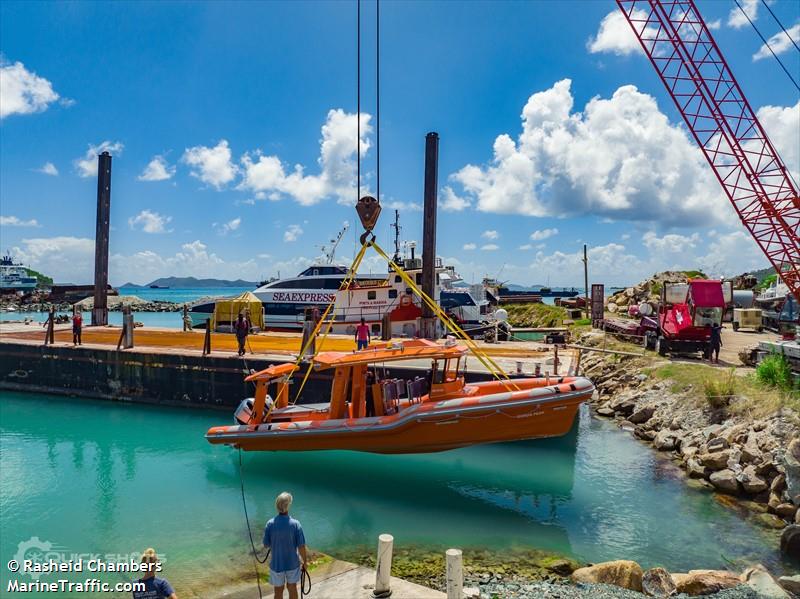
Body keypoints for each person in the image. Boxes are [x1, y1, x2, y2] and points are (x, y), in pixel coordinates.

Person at [263, 492, 307, 599]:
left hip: (277, 564)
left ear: (277, 505)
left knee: (278, 591)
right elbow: (301, 546)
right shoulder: (296, 524)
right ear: (288, 506)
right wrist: (305, 562)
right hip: (292, 564)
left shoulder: (270, 524)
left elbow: (266, 544)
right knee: (292, 588)